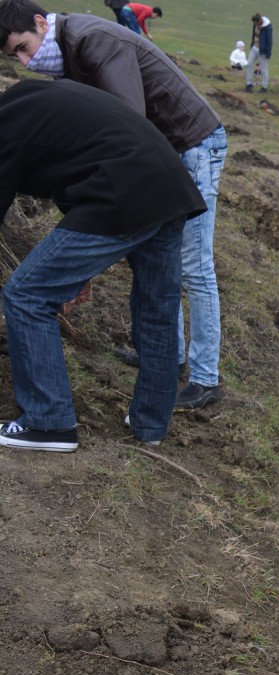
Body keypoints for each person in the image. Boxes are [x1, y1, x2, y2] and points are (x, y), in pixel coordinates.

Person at [0, 0, 229, 412]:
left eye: (24, 47)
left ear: (40, 22)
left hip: (189, 143)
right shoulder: (68, 53)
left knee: (193, 265)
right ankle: (168, 358)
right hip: (150, 160)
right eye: (15, 57)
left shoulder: (93, 40)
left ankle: (204, 377)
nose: (25, 61)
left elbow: (128, 118)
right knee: (157, 262)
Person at [0, 79, 206, 452]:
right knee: (157, 310)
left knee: (26, 294)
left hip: (123, 189)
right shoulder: (30, 102)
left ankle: (48, 424)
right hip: (169, 185)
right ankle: (151, 424)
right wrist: (81, 267)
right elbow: (80, 165)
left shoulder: (6, 126)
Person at [245, 13, 272, 93]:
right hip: (254, 47)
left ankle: (264, 86)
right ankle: (249, 84)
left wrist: (268, 52)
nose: (255, 24)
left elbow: (269, 40)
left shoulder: (267, 27)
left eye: (256, 22)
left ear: (259, 20)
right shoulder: (255, 24)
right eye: (254, 23)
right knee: (249, 64)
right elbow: (254, 35)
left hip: (262, 50)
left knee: (264, 68)